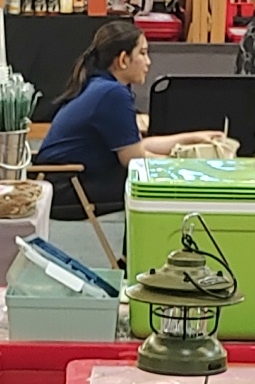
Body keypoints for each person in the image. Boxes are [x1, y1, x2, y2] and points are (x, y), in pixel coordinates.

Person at [31, 19, 202, 260]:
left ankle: (132, 258)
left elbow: (137, 147)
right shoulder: (112, 93)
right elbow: (134, 159)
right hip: (67, 187)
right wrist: (182, 164)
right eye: (142, 53)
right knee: (151, 182)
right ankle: (140, 259)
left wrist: (193, 139)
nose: (148, 62)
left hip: (62, 180)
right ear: (122, 60)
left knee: (147, 176)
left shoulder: (103, 86)